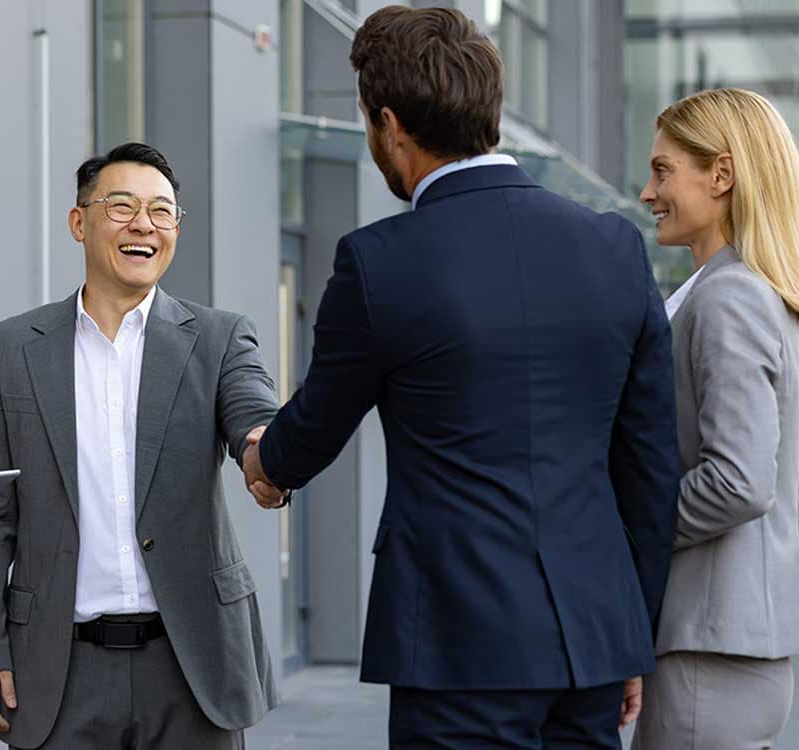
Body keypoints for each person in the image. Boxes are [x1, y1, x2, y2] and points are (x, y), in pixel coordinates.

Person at [242, 6, 680, 749]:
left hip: (456, 648)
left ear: (390, 126)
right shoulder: (614, 247)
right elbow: (650, 469)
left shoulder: (379, 262)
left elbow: (312, 428)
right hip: (593, 643)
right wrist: (627, 634)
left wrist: (262, 459)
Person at [0, 142, 282, 749]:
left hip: (191, 663)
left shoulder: (218, 338)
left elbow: (255, 418)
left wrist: (271, 455)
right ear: (79, 222)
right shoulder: (9, 350)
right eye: (123, 206)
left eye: (163, 212)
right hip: (58, 669)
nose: (144, 225)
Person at [631, 88, 799, 750]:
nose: (648, 192)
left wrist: (633, 528)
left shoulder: (731, 298)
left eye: (664, 170)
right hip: (727, 647)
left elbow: (739, 480)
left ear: (722, 176)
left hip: (712, 649)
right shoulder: (750, 293)